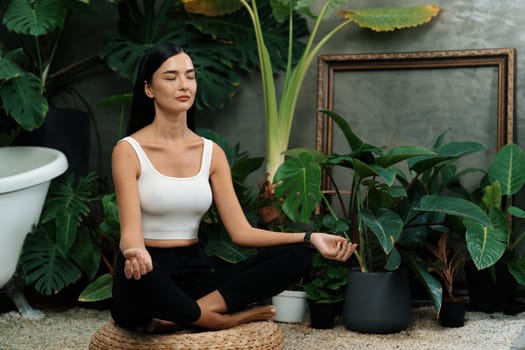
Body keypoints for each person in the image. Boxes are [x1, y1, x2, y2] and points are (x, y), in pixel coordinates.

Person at [110, 42, 357, 333]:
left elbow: (241, 233)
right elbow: (130, 234)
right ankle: (225, 318)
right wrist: (135, 253)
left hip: (194, 274)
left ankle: (189, 314)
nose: (183, 85)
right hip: (149, 269)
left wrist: (310, 236)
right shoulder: (129, 150)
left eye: (190, 76)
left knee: (297, 256)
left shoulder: (210, 152)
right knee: (142, 280)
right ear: (149, 88)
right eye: (171, 77)